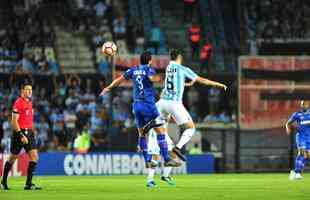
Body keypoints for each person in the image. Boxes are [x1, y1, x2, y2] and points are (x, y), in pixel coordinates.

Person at [100, 51, 180, 168]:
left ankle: (147, 160)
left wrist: (108, 88)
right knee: (161, 131)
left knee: (142, 134)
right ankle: (167, 159)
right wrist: (160, 78)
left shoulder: (133, 70)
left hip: (137, 106)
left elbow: (119, 80)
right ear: (149, 60)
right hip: (148, 105)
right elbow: (152, 78)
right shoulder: (149, 69)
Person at [158, 49, 227, 161]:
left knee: (161, 129)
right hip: (174, 103)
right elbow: (201, 80)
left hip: (162, 102)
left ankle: (166, 154)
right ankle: (177, 148)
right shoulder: (183, 69)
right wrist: (216, 84)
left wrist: (187, 84)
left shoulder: (169, 68)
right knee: (190, 128)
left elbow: (174, 82)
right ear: (179, 57)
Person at [1, 84, 42, 190]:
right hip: (19, 133)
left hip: (29, 133)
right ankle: (3, 181)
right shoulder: (19, 103)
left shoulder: (29, 102)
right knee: (13, 158)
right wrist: (21, 135)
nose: (29, 91)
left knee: (34, 157)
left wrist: (32, 130)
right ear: (22, 91)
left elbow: (28, 118)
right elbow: (14, 121)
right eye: (27, 90)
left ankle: (28, 184)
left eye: (30, 90)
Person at [286, 100, 310, 180]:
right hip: (301, 136)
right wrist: (288, 129)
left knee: (307, 156)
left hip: (308, 138)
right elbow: (288, 123)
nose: (305, 105)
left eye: (306, 104)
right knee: (302, 153)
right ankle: (298, 173)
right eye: (303, 104)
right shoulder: (297, 114)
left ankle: (295, 172)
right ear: (301, 105)